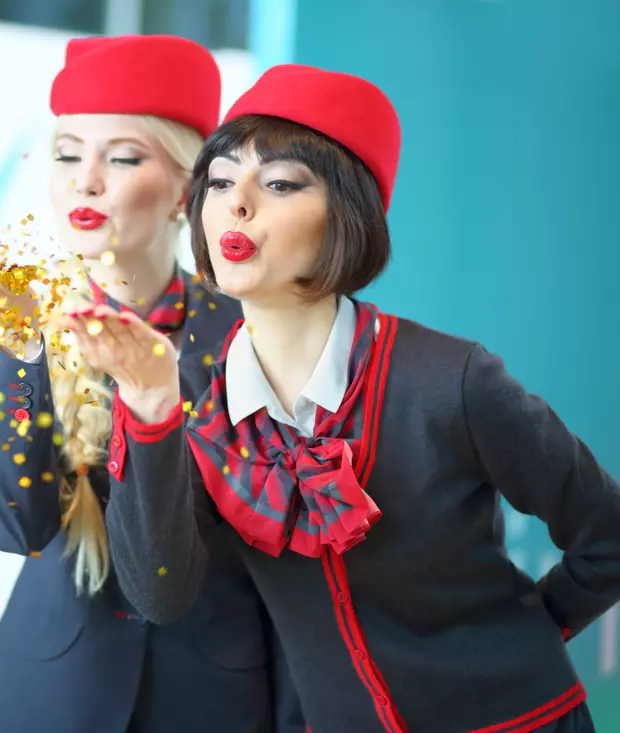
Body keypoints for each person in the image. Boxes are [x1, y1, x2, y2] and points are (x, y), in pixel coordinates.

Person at [64, 64, 619, 733]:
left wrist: (523, 639)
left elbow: (607, 536)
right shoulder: (201, 404)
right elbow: (159, 590)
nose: (237, 205)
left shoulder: (451, 380)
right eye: (218, 181)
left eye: (278, 184)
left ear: (344, 216)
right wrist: (149, 403)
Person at [0, 35, 303, 733]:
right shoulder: (17, 320)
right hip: (48, 696)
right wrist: (17, 352)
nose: (86, 180)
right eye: (68, 154)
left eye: (124, 157)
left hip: (213, 696)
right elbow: (18, 526)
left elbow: (288, 563)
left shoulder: (257, 335)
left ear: (185, 192)